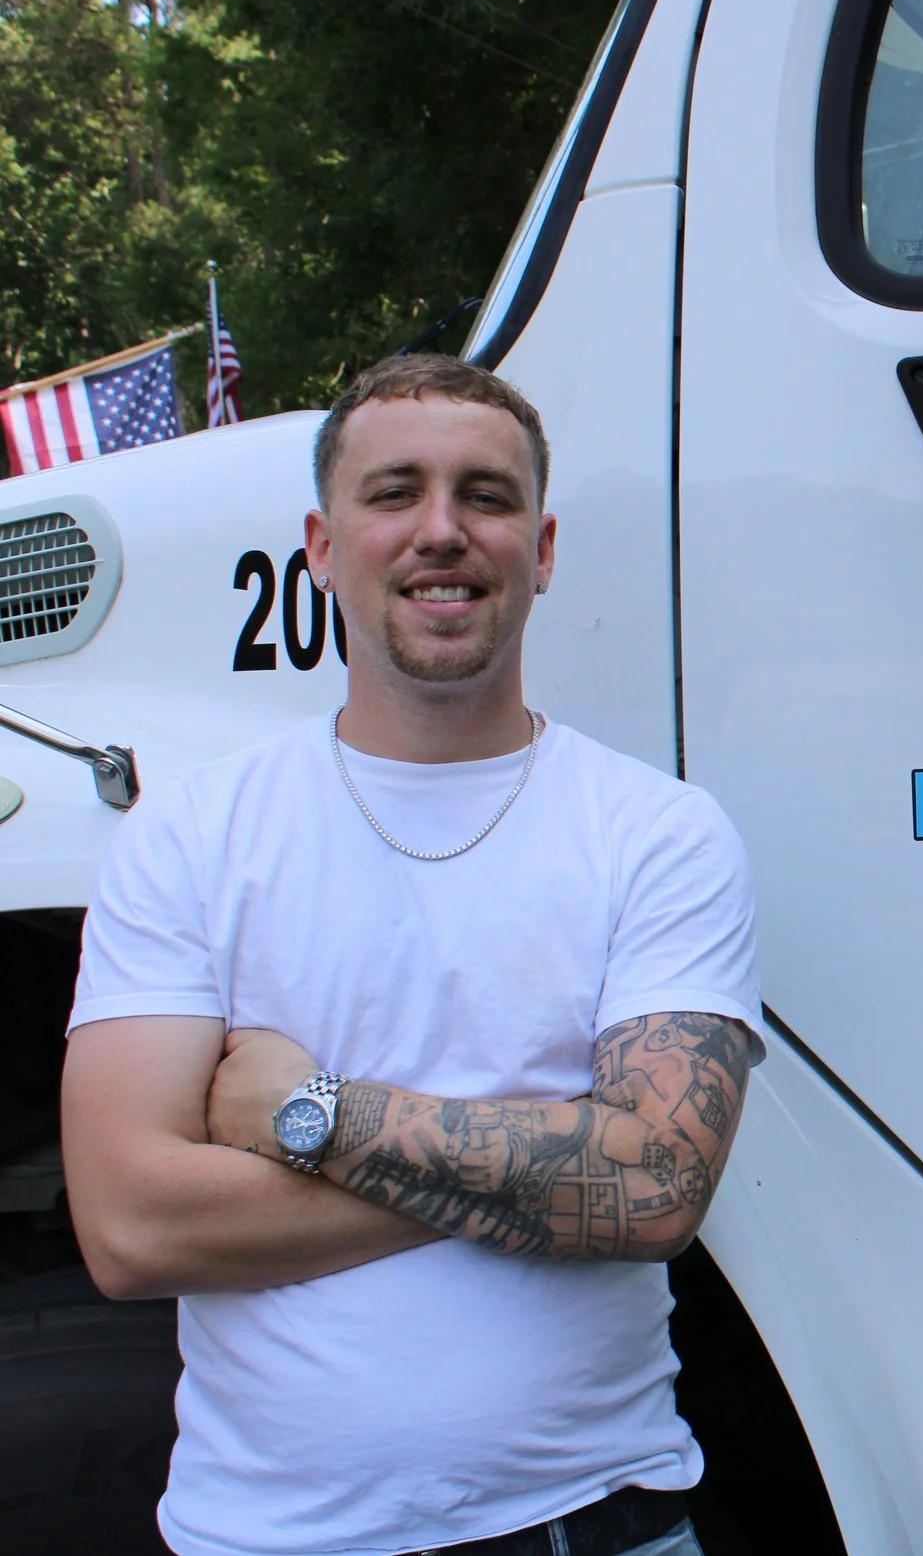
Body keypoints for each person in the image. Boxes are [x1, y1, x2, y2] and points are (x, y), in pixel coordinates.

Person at [59, 353, 761, 1556]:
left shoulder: (659, 834)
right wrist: (547, 1163)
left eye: (485, 497)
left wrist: (310, 1116)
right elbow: (131, 1230)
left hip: (594, 1525)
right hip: (264, 1538)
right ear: (322, 548)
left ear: (541, 550)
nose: (442, 530)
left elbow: (654, 1193)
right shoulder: (191, 833)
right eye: (394, 494)